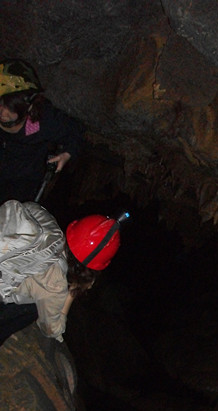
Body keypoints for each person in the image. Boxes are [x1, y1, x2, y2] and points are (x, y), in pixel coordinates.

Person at [0, 199, 126, 344]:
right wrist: (73, 291)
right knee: (35, 308)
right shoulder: (55, 282)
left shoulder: (45, 220)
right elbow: (52, 330)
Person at [0, 58, 84, 204]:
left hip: (22, 184)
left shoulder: (44, 121)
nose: (2, 112)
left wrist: (67, 154)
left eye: (10, 107)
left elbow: (74, 132)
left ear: (28, 106)